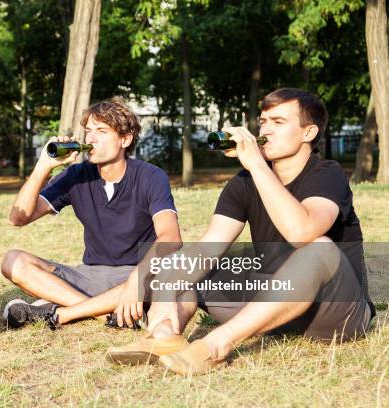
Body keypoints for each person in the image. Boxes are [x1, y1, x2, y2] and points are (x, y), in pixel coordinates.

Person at [107, 88, 375, 374]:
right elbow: (209, 246)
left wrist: (257, 165)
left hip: (337, 312)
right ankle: (163, 335)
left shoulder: (327, 174)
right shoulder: (245, 181)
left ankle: (214, 347)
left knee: (319, 248)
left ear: (308, 132)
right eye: (263, 122)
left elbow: (302, 232)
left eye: (278, 122)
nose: (266, 130)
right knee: (186, 262)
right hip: (277, 305)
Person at [1, 97, 182, 329]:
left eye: (101, 131)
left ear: (125, 139)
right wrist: (43, 166)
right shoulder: (75, 175)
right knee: (13, 261)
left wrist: (137, 277)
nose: (91, 139)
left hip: (138, 273)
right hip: (89, 275)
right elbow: (18, 218)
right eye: (88, 131)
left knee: (167, 276)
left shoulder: (151, 176)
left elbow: (171, 237)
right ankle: (103, 314)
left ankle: (60, 311)